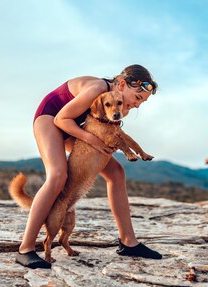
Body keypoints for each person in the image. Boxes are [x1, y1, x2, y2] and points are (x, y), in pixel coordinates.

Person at [16, 64, 162, 269]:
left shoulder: (114, 102)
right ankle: (26, 248)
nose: (138, 105)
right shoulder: (97, 89)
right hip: (52, 118)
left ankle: (129, 242)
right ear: (121, 84)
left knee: (117, 173)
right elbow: (61, 119)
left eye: (142, 102)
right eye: (137, 98)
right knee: (58, 175)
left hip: (75, 127)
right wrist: (92, 140)